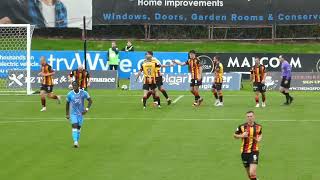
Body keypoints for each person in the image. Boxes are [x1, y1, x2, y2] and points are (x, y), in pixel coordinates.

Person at [234, 111, 262, 180]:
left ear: (254, 117)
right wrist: (241, 135)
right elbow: (234, 135)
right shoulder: (241, 126)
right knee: (250, 175)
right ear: (246, 118)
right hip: (244, 152)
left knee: (252, 172)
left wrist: (259, 138)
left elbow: (260, 134)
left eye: (251, 116)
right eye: (248, 116)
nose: (250, 118)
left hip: (254, 151)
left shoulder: (258, 127)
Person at [66, 81, 93, 148]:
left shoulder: (84, 93)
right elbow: (67, 103)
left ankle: (76, 141)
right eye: (73, 85)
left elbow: (90, 101)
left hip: (80, 114)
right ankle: (75, 142)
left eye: (75, 85)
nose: (74, 87)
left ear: (78, 86)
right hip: (73, 114)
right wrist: (67, 114)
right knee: (74, 126)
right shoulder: (70, 94)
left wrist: (86, 109)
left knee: (78, 128)